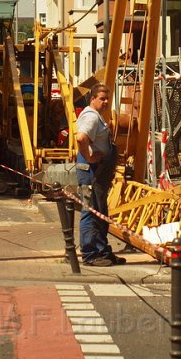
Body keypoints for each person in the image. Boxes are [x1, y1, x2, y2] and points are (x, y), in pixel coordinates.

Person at [75, 83, 125, 267]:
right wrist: (89, 156)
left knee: (100, 212)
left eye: (107, 99)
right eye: (102, 98)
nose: (105, 102)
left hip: (97, 173)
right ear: (93, 98)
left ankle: (102, 251)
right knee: (90, 212)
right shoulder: (91, 117)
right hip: (91, 173)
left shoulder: (97, 117)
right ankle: (90, 254)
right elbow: (81, 138)